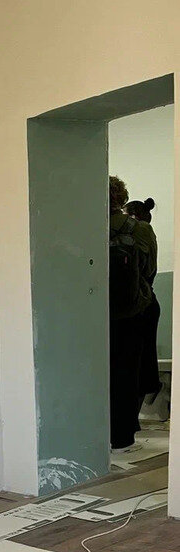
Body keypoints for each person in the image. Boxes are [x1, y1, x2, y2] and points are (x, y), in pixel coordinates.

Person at [108, 176, 154, 451]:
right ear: (122, 198)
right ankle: (123, 438)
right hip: (132, 311)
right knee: (128, 373)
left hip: (93, 313)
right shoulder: (140, 229)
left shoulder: (83, 227)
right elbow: (149, 270)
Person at [125, 197, 162, 422]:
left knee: (139, 364)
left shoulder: (141, 232)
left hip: (141, 305)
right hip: (147, 304)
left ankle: (130, 421)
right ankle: (131, 420)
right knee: (143, 361)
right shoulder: (147, 233)